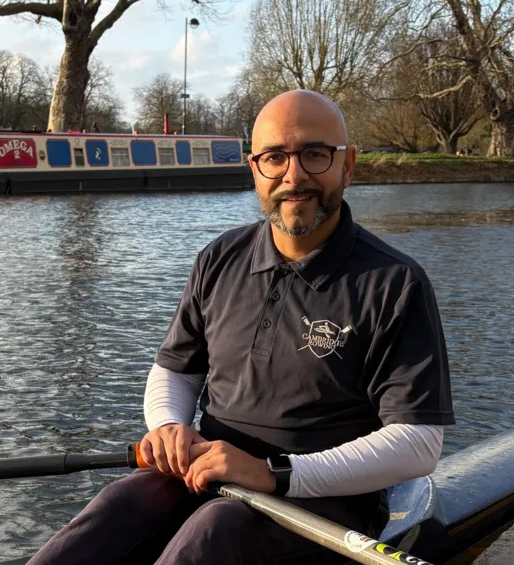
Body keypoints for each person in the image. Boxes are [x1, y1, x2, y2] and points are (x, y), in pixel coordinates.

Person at [27, 89, 454, 565]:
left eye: (315, 155)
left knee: (215, 530)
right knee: (120, 503)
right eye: (275, 158)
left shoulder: (396, 283)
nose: (294, 176)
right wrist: (169, 428)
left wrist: (277, 473)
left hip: (327, 499)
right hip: (209, 472)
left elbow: (418, 444)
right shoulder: (218, 258)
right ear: (255, 170)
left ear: (347, 166)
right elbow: (177, 370)